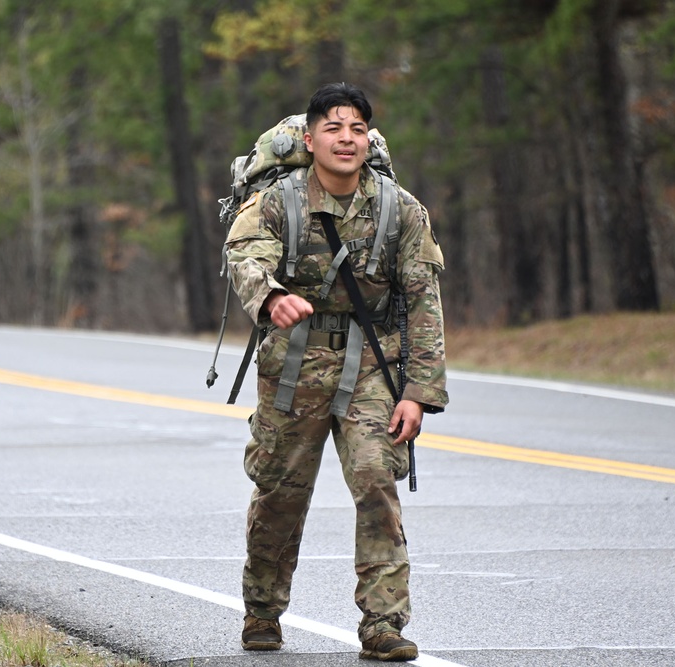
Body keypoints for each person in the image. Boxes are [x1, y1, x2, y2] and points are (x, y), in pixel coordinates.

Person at [224, 82, 448, 662]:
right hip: (294, 362)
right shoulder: (279, 201)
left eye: (356, 129)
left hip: (374, 365)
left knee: (376, 478)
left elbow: (425, 301)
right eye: (333, 127)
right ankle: (262, 611)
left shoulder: (400, 209)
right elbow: (245, 256)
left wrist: (419, 393)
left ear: (367, 139)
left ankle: (383, 624)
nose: (345, 139)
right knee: (280, 489)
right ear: (310, 138)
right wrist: (271, 298)